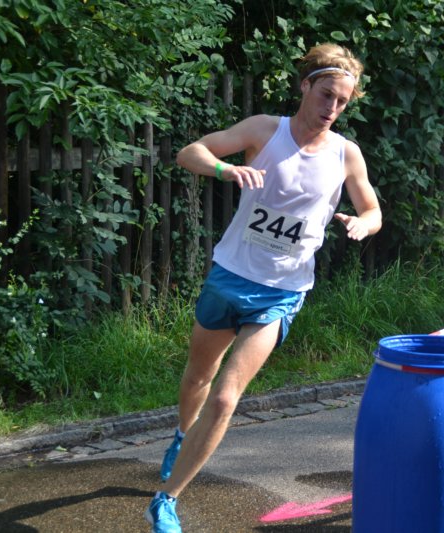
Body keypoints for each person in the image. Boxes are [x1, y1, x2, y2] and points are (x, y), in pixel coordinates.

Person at [144, 42, 382, 533]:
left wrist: (364, 223)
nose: (332, 108)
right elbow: (191, 152)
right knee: (198, 377)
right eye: (326, 95)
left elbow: (373, 209)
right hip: (230, 274)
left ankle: (166, 500)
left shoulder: (345, 154)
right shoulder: (264, 130)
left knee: (225, 397)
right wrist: (225, 168)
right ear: (306, 86)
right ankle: (182, 435)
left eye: (342, 102)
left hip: (281, 292)